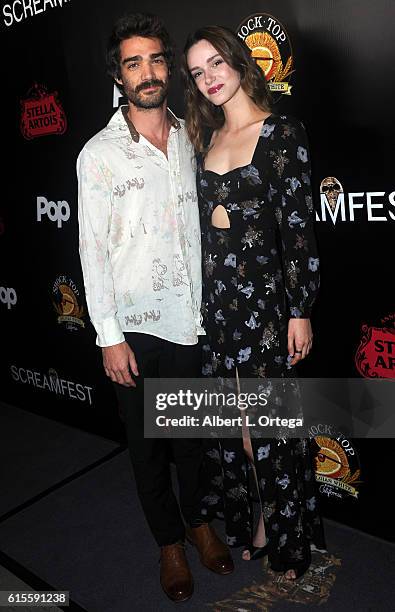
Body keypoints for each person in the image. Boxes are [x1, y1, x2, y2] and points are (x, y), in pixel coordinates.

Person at [77, 13, 233, 603]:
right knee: (146, 448)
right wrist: (107, 336)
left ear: (169, 67)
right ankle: (169, 542)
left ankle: (198, 523)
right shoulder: (99, 155)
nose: (147, 72)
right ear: (118, 75)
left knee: (190, 442)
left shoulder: (194, 135)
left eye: (156, 59)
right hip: (134, 328)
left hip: (190, 321)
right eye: (133, 62)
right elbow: (91, 251)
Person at [181, 25, 326, 580]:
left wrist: (301, 307)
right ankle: (264, 518)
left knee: (271, 431)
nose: (209, 78)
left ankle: (290, 545)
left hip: (266, 309)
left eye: (216, 63)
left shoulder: (283, 133)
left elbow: (296, 229)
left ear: (239, 62)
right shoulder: (206, 137)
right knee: (240, 433)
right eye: (197, 72)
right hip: (217, 312)